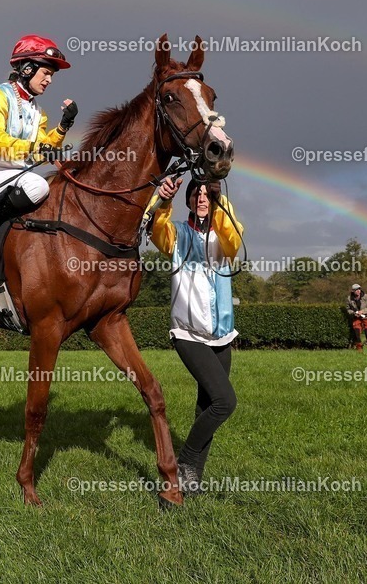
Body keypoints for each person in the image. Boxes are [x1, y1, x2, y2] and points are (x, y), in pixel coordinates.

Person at [148, 175, 244, 495]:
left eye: (207, 194)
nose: (201, 199)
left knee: (206, 407)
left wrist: (220, 199)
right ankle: (184, 462)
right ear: (188, 200)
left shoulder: (224, 236)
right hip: (187, 333)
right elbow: (156, 228)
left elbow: (234, 235)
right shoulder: (175, 233)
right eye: (196, 194)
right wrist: (163, 200)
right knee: (225, 401)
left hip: (222, 335)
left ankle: (192, 481)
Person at [0, 35, 78, 254]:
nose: (49, 80)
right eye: (46, 73)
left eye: (51, 76)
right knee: (39, 186)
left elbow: (40, 152)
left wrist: (63, 127)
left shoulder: (38, 112)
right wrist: (34, 149)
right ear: (27, 69)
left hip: (18, 176)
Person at [347, 283, 367, 350]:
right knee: (357, 334)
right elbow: (348, 309)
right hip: (356, 318)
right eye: (356, 289)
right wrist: (354, 313)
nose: (358, 291)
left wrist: (362, 311)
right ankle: (359, 348)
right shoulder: (349, 298)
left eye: (359, 289)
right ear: (353, 291)